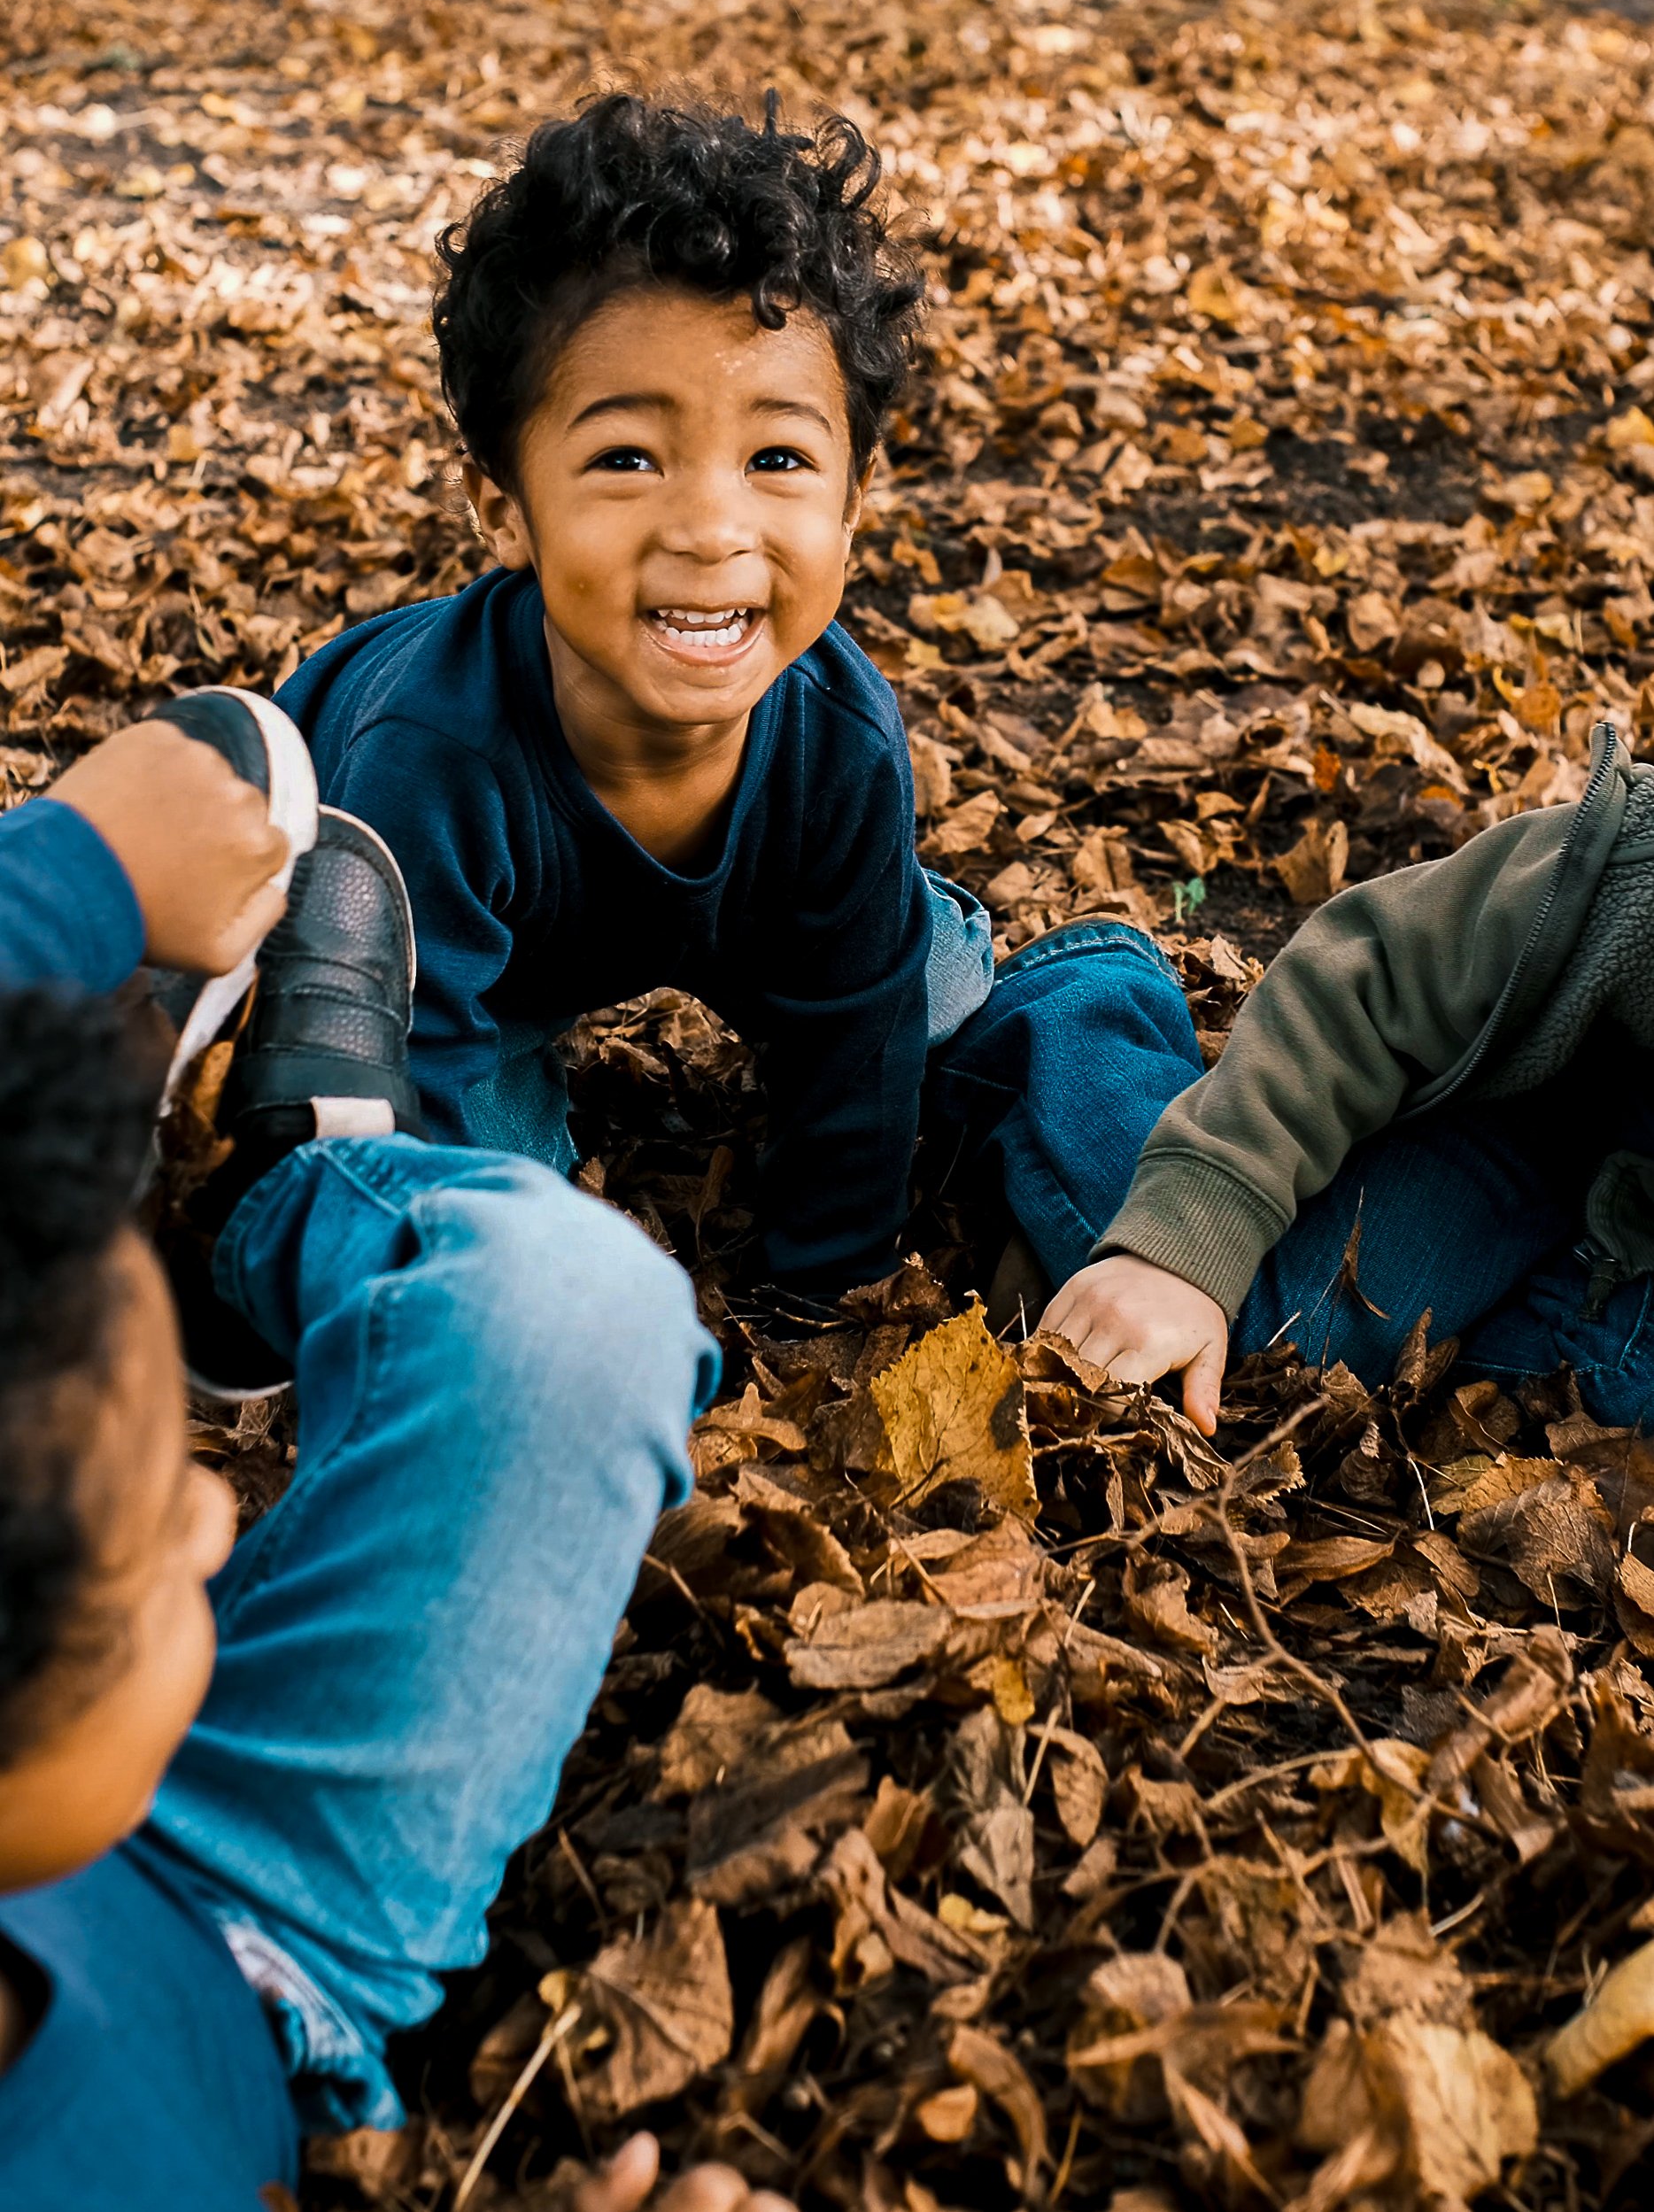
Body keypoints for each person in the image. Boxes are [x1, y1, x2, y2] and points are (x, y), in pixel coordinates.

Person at [0, 702, 791, 2212]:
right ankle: (274, 1195)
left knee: (564, 1306)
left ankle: (246, 1198)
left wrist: (86, 864)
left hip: (99, 1850)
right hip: (255, 1938)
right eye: (158, 1532)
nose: (217, 1522)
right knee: (577, 1314)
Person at [274, 92, 1199, 1311]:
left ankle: (1070, 982)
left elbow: (857, 1040)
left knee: (917, 995)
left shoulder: (839, 736)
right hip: (425, 961)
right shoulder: (428, 752)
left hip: (747, 909)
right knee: (473, 1204)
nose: (713, 527)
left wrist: (828, 1291)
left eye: (777, 460)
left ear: (852, 503)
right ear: (503, 507)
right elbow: (413, 1089)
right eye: (625, 458)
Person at [1043, 718, 1654, 1439]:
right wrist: (1182, 1243)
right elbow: (1363, 977)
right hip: (1524, 1113)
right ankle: (1076, 997)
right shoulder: (1632, 877)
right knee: (1275, 1358)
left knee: (1586, 1399)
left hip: (1623, 1244)